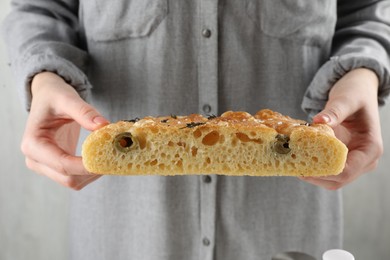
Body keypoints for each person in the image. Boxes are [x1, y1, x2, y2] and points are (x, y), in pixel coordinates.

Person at [2, 0, 389, 259]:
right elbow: (38, 7)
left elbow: (369, 9)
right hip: (126, 227)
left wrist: (364, 70)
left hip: (289, 221)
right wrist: (44, 74)